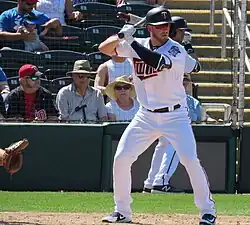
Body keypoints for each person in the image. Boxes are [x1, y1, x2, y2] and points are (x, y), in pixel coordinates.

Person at [99, 6, 216, 225]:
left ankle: (207, 211)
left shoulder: (176, 50)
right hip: (146, 116)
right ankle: (122, 211)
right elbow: (104, 48)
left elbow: (157, 62)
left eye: (167, 26)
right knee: (122, 158)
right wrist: (120, 35)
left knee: (190, 160)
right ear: (149, 28)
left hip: (176, 116)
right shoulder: (138, 44)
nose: (165, 29)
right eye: (160, 26)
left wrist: (131, 42)